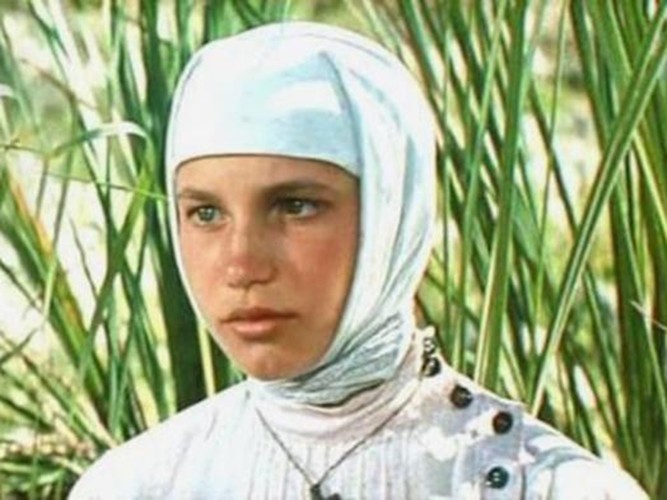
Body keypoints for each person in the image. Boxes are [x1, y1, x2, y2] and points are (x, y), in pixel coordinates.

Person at [69, 22, 647, 499]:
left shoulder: (547, 486)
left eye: (294, 206)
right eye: (206, 213)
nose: (241, 265)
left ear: (390, 216)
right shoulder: (136, 485)